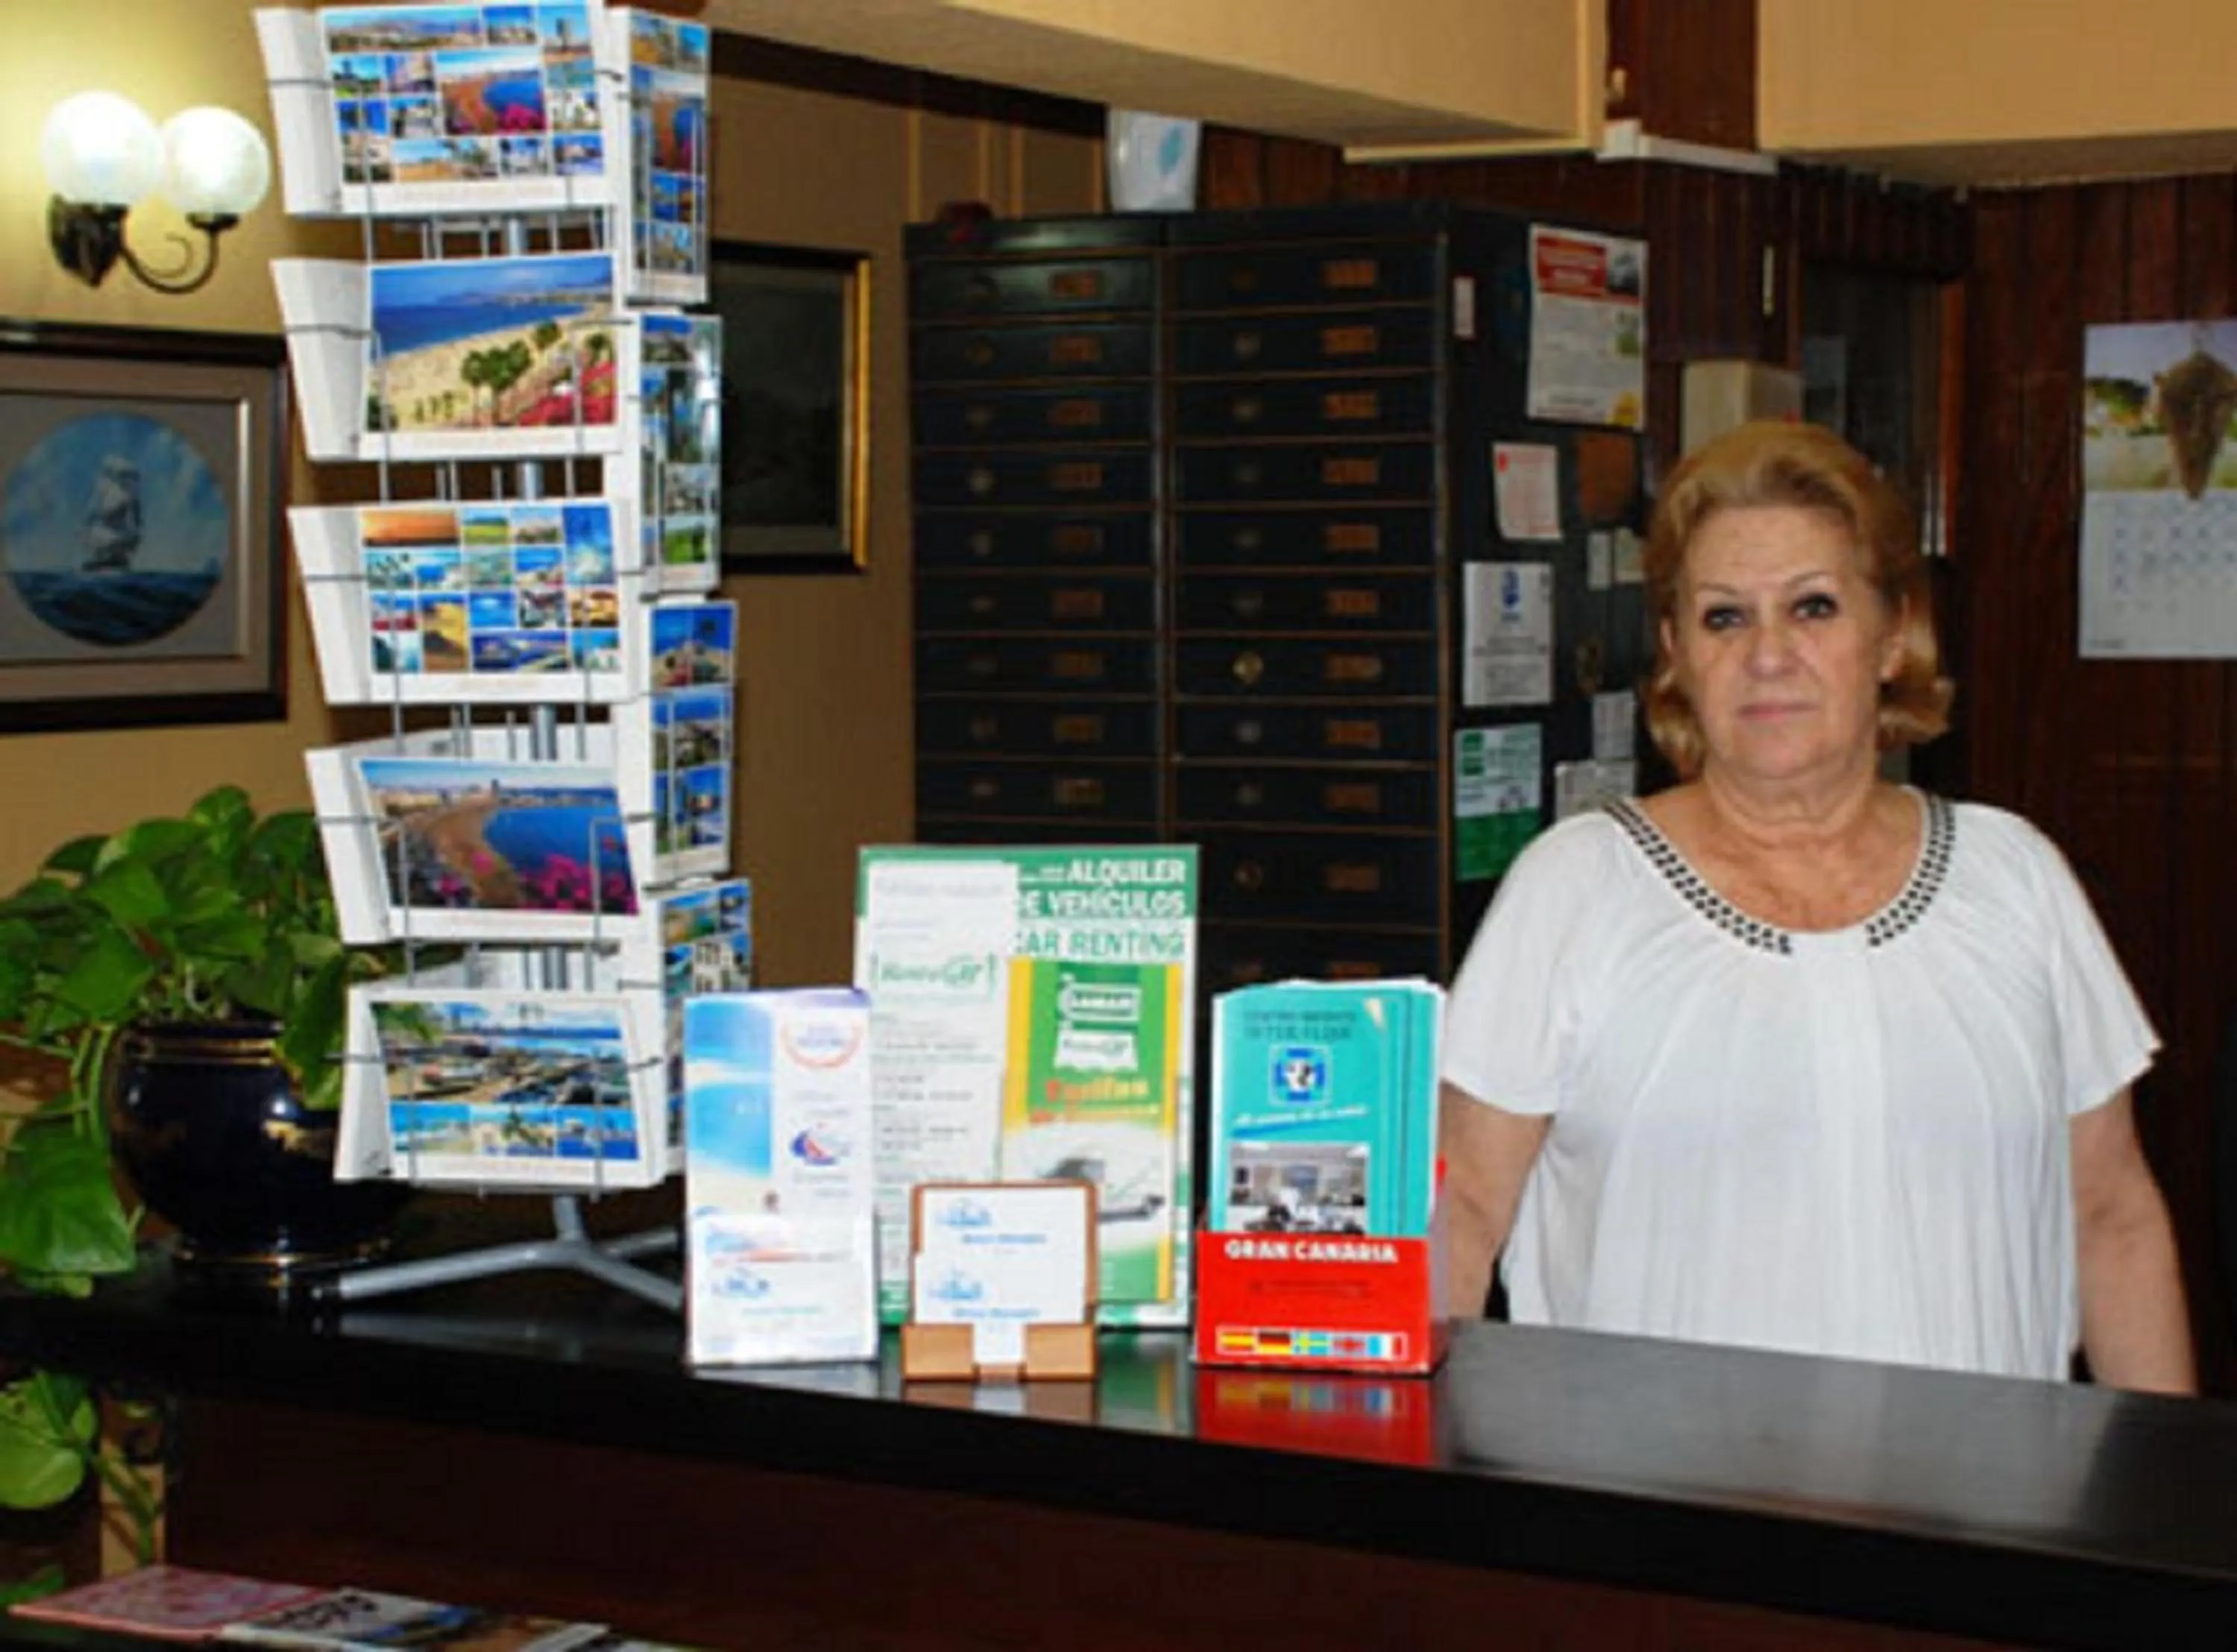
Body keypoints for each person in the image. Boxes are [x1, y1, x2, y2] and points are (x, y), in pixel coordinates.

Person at [1435, 420, 2195, 1393]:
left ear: (1893, 636)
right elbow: (1462, 1214)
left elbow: (2112, 1218)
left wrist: (2168, 1479)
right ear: (1674, 654)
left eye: (1814, 607)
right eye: (1724, 618)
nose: (1768, 655)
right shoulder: (1576, 887)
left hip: (1988, 1484)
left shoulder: (2017, 877)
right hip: (1650, 1486)